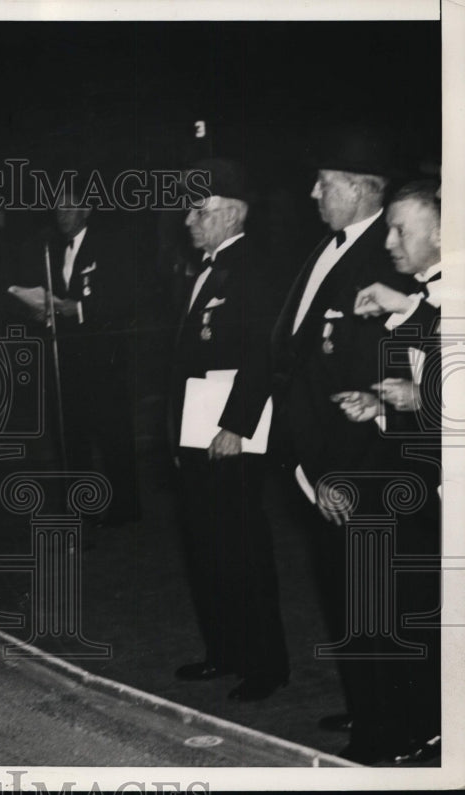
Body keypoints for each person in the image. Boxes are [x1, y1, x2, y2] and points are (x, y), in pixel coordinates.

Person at [269, 129, 418, 762]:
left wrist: (342, 473)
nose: (313, 192)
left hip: (362, 465)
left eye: (324, 182)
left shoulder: (384, 264)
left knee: (375, 602)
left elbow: (374, 383)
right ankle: (370, 710)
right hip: (324, 460)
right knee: (348, 596)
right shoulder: (326, 251)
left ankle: (396, 731)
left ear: (360, 191)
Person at [330, 179, 443, 764]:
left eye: (402, 228)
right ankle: (413, 728)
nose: (391, 240)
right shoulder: (424, 297)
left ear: (445, 231)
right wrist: (385, 404)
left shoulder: (434, 301)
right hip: (423, 485)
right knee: (411, 615)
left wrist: (417, 397)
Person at [168, 159, 289, 701]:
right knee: (207, 546)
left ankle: (265, 664)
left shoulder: (254, 269)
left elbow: (263, 355)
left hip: (231, 432)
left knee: (241, 548)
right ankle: (225, 651)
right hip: (198, 427)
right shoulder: (206, 268)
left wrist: (235, 426)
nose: (188, 220)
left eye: (200, 210)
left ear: (233, 213)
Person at [8, 176, 140, 529]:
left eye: (69, 207)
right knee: (73, 433)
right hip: (65, 358)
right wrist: (40, 310)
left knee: (113, 434)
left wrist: (79, 309)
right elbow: (46, 293)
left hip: (103, 356)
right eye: (58, 207)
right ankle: (83, 506)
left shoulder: (108, 245)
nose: (61, 214)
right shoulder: (51, 248)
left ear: (87, 209)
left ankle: (126, 509)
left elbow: (123, 298)